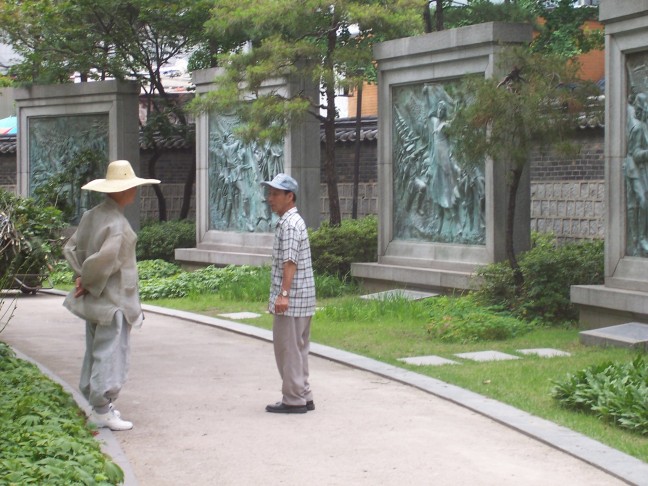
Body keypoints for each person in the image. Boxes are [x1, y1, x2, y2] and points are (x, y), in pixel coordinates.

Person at [62, 159, 160, 430]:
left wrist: (81, 276)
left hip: (96, 300)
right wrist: (88, 279)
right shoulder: (118, 225)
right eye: (131, 187)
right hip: (113, 300)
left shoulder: (91, 215)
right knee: (110, 354)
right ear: (123, 191)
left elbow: (71, 248)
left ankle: (97, 404)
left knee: (95, 351)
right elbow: (105, 261)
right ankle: (102, 408)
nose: (134, 192)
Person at [261, 173, 316, 414]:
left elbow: (290, 262)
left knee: (288, 350)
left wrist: (283, 294)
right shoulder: (293, 221)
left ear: (289, 196)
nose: (269, 199)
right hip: (302, 298)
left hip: (292, 300)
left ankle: (294, 400)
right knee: (299, 348)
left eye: (274, 194)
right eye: (269, 193)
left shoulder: (290, 224)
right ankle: (304, 394)